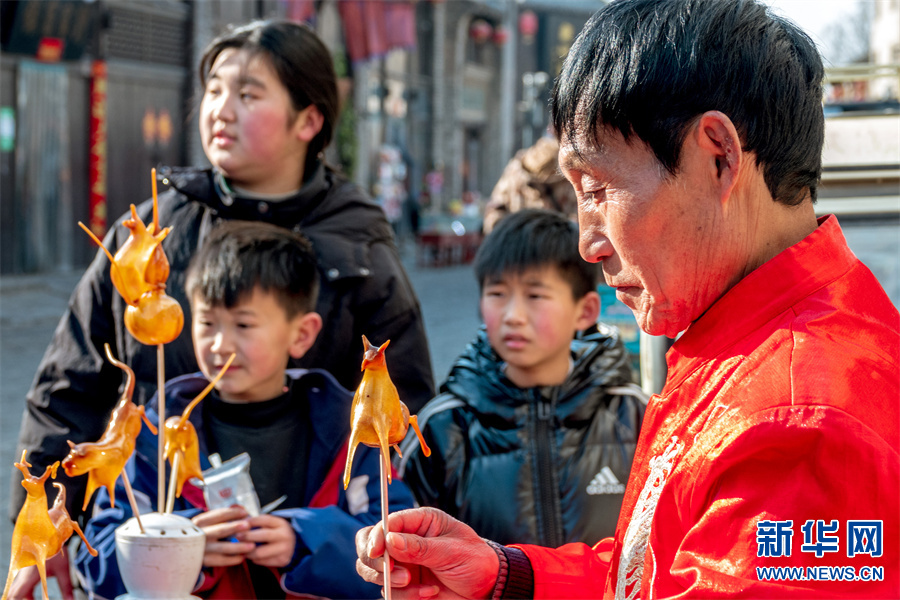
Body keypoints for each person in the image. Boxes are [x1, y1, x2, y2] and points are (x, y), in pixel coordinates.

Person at [355, 0, 900, 598]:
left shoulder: (799, 423)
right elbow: (661, 566)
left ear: (718, 155)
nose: (587, 242)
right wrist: (508, 575)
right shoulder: (746, 340)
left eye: (596, 189)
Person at [8, 19, 433, 599]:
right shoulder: (151, 237)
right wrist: (41, 523)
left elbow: (402, 411)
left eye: (248, 94)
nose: (220, 110)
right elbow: (73, 385)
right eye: (213, 89)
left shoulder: (357, 244)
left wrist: (381, 548)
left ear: (308, 120)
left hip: (321, 564)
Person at [73, 221, 415, 599]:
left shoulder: (351, 429)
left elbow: (398, 552)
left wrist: (305, 540)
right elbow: (97, 558)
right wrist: (180, 547)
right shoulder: (156, 431)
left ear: (301, 334)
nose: (220, 344)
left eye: (243, 324)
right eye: (206, 323)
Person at [398, 208, 646, 546]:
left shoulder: (633, 416)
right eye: (498, 294)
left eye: (535, 296)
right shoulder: (443, 427)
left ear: (585, 310)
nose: (513, 316)